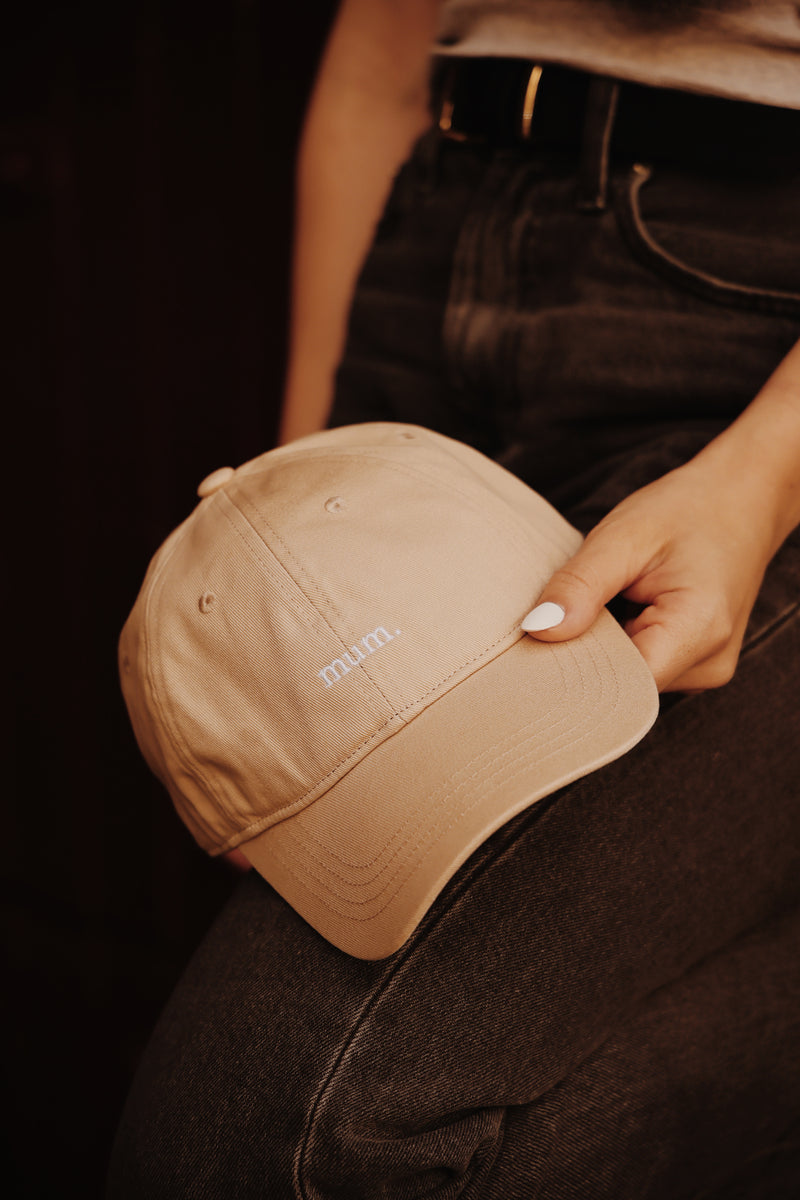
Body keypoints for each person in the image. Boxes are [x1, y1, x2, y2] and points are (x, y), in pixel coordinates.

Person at [107, 2, 800, 1196]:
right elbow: (379, 53)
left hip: (749, 338)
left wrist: (762, 477)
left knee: (286, 1128)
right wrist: (299, 517)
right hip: (427, 248)